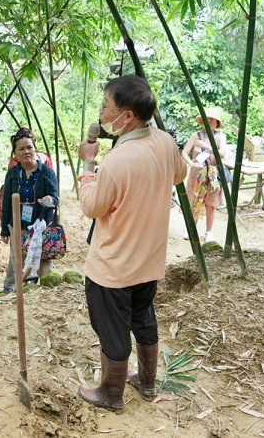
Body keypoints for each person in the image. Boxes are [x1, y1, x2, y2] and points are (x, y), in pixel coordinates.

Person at [77, 76, 187, 411]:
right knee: (143, 317)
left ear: (126, 116)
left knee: (112, 330)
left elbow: (91, 207)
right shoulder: (165, 142)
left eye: (106, 106)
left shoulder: (116, 161)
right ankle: (148, 381)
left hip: (113, 266)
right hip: (148, 260)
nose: (101, 112)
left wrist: (87, 165)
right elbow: (180, 174)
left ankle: (111, 394)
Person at [0, 127, 58, 294]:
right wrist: (4, 228)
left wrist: (49, 201)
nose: (26, 151)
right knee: (17, 259)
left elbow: (55, 198)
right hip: (18, 225)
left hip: (41, 225)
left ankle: (43, 293)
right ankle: (12, 290)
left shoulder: (46, 173)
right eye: (21, 148)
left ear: (35, 148)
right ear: (15, 153)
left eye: (29, 147)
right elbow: (7, 202)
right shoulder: (12, 174)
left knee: (43, 260)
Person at [181, 108, 228, 243]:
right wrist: (191, 163)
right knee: (194, 201)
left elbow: (223, 153)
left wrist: (206, 147)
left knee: (210, 204)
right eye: (207, 118)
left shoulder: (220, 137)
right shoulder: (195, 135)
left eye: (212, 119)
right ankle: (191, 228)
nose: (209, 121)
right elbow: (184, 153)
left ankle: (209, 232)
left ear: (217, 123)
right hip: (197, 173)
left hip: (212, 174)